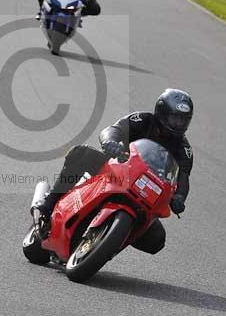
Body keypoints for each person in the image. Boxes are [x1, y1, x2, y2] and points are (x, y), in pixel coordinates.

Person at [31, 89, 195, 254]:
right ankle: (49, 202)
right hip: (117, 169)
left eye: (183, 120)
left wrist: (180, 196)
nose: (178, 124)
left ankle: (107, 242)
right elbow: (115, 129)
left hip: (146, 190)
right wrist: (111, 142)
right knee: (81, 153)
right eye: (175, 118)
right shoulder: (143, 120)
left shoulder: (184, 149)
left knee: (157, 240)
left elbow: (184, 176)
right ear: (162, 112)